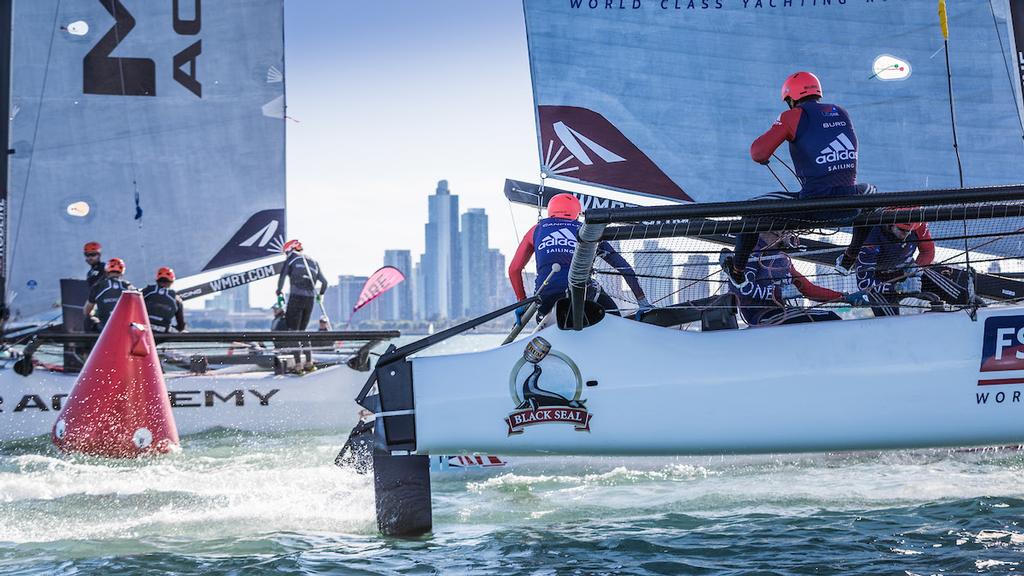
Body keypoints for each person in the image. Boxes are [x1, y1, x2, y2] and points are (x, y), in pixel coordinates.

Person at [722, 71, 874, 289]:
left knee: (750, 210)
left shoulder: (793, 116)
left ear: (791, 98)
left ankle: (737, 271)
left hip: (812, 207)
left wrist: (782, 129)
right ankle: (849, 258)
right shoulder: (841, 112)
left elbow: (758, 153)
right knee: (872, 193)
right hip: (850, 206)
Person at [508, 193, 651, 322]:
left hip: (545, 297)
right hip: (583, 293)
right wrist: (642, 301)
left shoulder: (536, 229)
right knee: (616, 320)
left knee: (543, 314)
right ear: (576, 213)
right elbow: (622, 266)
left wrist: (523, 302)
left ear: (550, 211)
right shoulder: (588, 230)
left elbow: (514, 269)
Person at [722, 232, 866, 326]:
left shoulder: (780, 258)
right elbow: (742, 289)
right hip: (760, 317)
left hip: (779, 313)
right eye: (788, 230)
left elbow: (808, 289)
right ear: (777, 231)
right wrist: (780, 293)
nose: (792, 235)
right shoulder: (751, 252)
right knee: (828, 319)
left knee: (830, 317)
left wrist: (844, 298)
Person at [854, 221, 935, 317]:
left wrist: (917, 268)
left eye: (910, 230)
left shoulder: (918, 225)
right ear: (890, 225)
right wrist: (897, 288)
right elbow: (864, 283)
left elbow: (927, 251)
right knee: (890, 319)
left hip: (906, 272)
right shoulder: (871, 238)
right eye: (902, 230)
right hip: (881, 281)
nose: (906, 234)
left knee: (951, 287)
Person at [276, 239, 328, 331]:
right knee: (302, 331)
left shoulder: (291, 258)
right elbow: (324, 282)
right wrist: (320, 295)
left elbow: (282, 276)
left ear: (290, 249)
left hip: (296, 297)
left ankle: (292, 345)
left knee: (291, 328)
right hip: (309, 300)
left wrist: (279, 290)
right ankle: (302, 345)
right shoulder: (314, 262)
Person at [83, 258, 133, 332]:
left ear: (106, 271)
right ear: (122, 271)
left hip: (105, 331)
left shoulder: (98, 286)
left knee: (88, 319)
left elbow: (86, 311)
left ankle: (90, 343)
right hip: (125, 330)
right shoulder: (128, 286)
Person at [142, 267, 186, 332]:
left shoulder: (148, 291)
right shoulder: (176, 298)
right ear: (172, 281)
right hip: (163, 335)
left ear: (157, 279)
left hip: (143, 330)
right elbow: (181, 326)